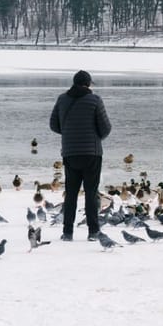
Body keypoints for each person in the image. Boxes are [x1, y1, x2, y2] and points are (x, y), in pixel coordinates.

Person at [49, 70, 112, 241]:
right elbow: (106, 128)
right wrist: (95, 137)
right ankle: (93, 232)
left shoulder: (62, 99)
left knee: (71, 193)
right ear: (88, 84)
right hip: (92, 153)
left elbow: (53, 125)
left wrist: (69, 133)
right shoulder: (95, 100)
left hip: (70, 153)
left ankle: (67, 232)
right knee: (91, 193)